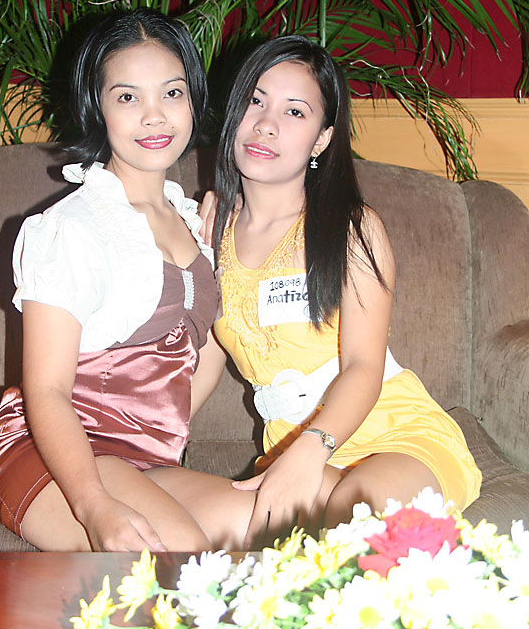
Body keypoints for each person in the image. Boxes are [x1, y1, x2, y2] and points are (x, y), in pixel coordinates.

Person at [0, 8, 254, 553]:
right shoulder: (71, 228)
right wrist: (95, 507)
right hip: (49, 453)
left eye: (172, 93)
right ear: (97, 108)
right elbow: (47, 390)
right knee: (181, 562)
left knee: (273, 525)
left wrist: (235, 239)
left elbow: (200, 358)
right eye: (128, 97)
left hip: (144, 460)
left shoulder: (196, 226)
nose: (155, 116)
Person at [201, 35, 481, 549]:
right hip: (290, 449)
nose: (266, 124)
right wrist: (150, 437)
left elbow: (363, 366)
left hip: (390, 437)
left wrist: (312, 448)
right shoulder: (210, 227)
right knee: (214, 530)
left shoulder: (351, 228)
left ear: (322, 139)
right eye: (255, 101)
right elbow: (204, 360)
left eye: (294, 111)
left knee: (361, 522)